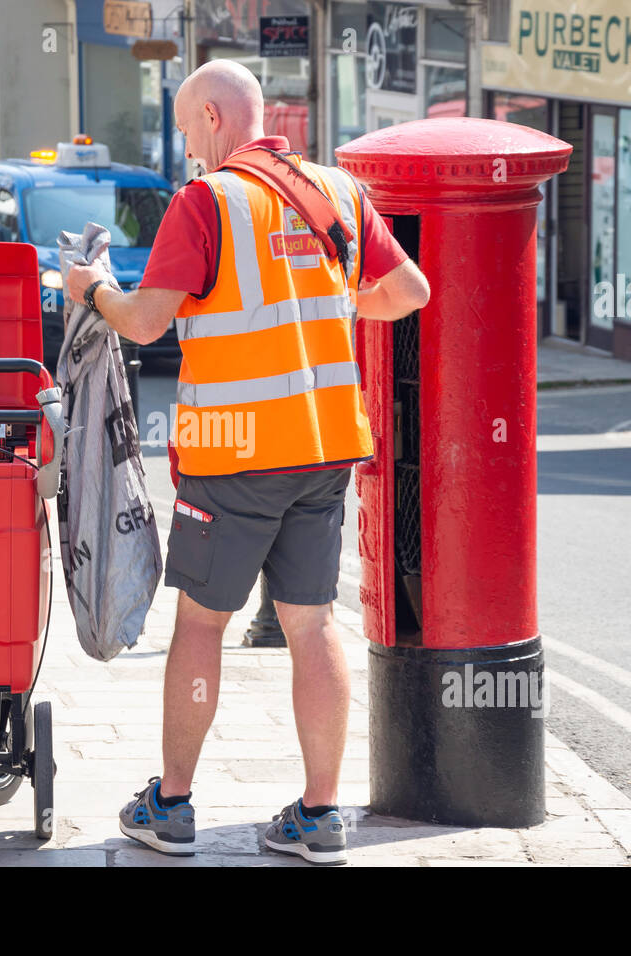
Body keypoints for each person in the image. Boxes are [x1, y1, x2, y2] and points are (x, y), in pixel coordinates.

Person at [64, 60, 429, 865]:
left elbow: (147, 324)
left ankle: (172, 805)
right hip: (327, 447)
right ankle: (321, 815)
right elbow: (410, 290)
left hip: (234, 454)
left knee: (202, 623)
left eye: (190, 127)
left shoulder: (208, 202)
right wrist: (329, 305)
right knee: (311, 623)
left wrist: (91, 290)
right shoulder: (336, 191)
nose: (187, 144)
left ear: (213, 117)